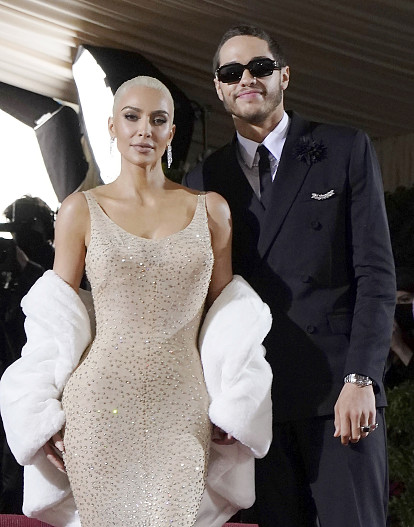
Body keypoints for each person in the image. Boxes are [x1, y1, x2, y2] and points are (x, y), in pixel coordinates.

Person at [0, 75, 273, 527]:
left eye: (158, 119)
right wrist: (39, 410)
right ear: (112, 126)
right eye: (132, 117)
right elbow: (55, 317)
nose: (145, 129)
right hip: (96, 404)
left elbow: (229, 319)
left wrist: (235, 398)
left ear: (171, 132)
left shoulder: (212, 209)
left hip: (184, 405)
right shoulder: (79, 209)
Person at [183, 24, 396, 527]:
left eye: (259, 67)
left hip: (339, 394)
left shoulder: (344, 148)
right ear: (219, 88)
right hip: (257, 405)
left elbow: (375, 276)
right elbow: (203, 303)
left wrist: (361, 378)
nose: (246, 79)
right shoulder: (203, 181)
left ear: (284, 75)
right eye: (231, 72)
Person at [3, 196, 55, 271]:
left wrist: (27, 267)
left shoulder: (57, 260)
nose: (22, 232)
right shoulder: (8, 255)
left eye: (28, 225)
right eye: (15, 226)